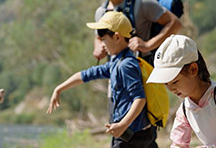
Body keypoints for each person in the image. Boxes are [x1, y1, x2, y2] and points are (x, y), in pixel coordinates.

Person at [47, 11, 158, 148]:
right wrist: (59, 88)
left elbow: (140, 99)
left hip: (131, 136)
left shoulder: (126, 65)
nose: (102, 44)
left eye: (103, 39)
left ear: (117, 37)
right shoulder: (116, 62)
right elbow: (87, 74)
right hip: (136, 133)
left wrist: (122, 125)